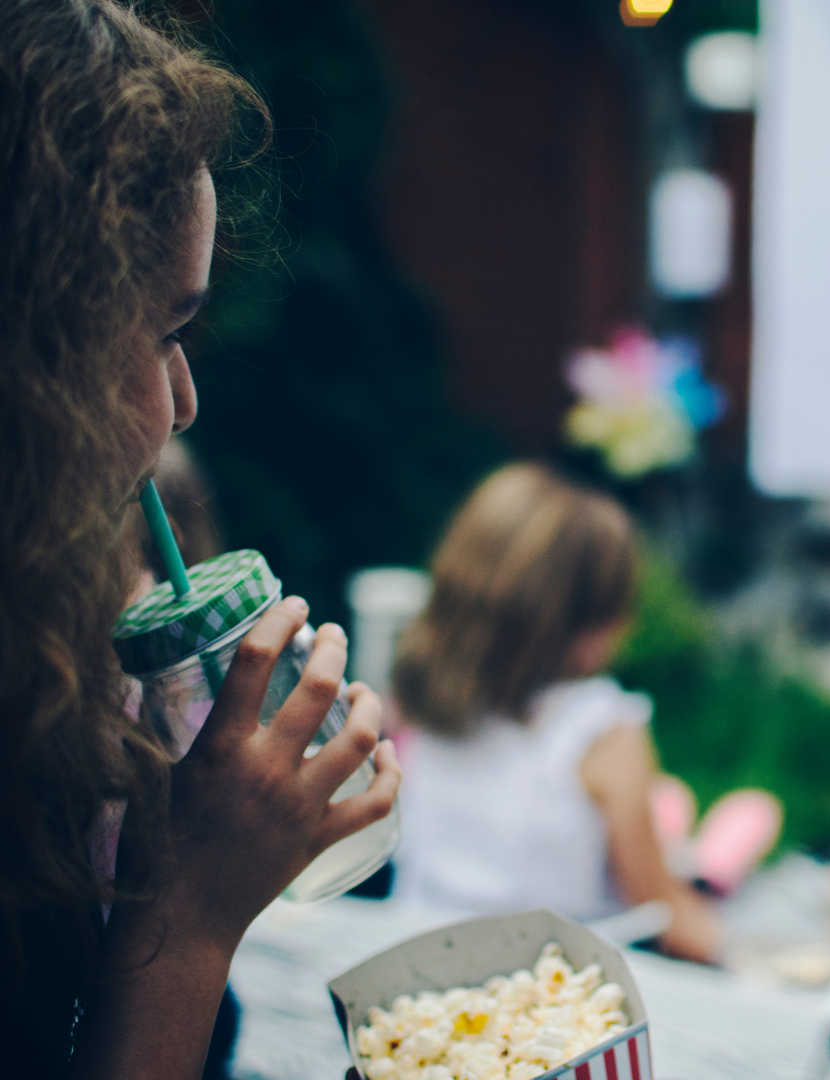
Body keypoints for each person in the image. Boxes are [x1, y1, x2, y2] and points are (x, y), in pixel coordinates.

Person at [0, 3, 400, 1077]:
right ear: (35, 347)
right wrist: (187, 908)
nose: (184, 402)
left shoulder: (38, 654)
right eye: (162, 332)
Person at [391, 463, 721, 964]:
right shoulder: (601, 732)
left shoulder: (420, 698)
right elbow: (662, 915)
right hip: (536, 997)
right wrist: (728, 945)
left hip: (412, 960)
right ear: (588, 623)